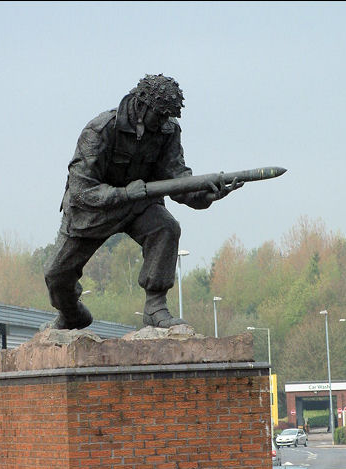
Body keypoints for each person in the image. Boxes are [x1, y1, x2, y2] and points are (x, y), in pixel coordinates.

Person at [44, 74, 243, 330]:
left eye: (167, 117)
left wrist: (203, 195)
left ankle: (155, 307)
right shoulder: (100, 130)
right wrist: (125, 194)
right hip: (92, 211)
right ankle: (72, 315)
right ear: (141, 106)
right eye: (159, 116)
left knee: (166, 227)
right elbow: (82, 191)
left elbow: (176, 177)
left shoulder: (168, 130)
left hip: (139, 207)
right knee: (56, 275)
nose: (163, 123)